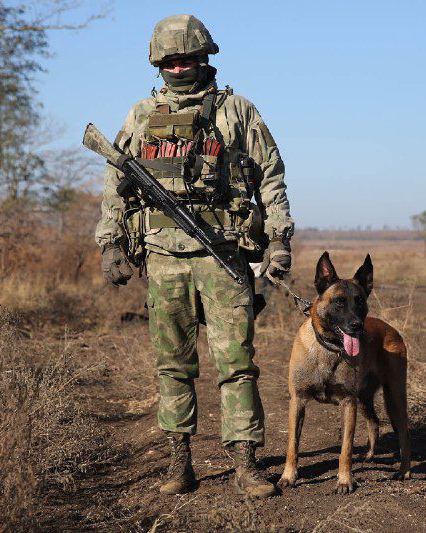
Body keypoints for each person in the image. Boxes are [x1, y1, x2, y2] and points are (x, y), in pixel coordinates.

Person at [94, 14, 293, 498]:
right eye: (171, 61)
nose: (180, 67)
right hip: (163, 258)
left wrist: (278, 238)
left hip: (224, 255)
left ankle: (245, 463)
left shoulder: (237, 110)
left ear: (206, 58)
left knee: (237, 364)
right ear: (158, 64)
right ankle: (178, 463)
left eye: (189, 59)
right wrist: (110, 241)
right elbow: (115, 184)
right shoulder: (142, 114)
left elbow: (270, 176)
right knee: (173, 365)